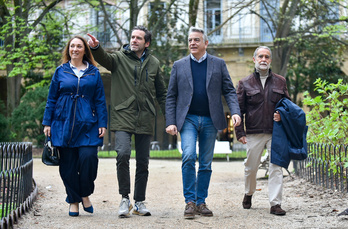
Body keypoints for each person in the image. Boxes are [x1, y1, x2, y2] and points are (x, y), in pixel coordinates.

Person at [87, 25, 166, 217]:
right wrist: (96, 47)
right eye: (132, 37)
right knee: (122, 154)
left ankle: (139, 201)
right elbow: (103, 59)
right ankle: (125, 198)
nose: (133, 40)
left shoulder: (154, 63)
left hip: (146, 116)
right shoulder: (119, 58)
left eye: (138, 38)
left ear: (146, 43)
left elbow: (162, 94)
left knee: (143, 162)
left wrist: (170, 118)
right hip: (123, 115)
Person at [165, 27, 241, 219]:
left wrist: (235, 112)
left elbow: (230, 91)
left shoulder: (219, 64)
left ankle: (201, 202)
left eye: (197, 40)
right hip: (188, 119)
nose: (192, 43)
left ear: (206, 43)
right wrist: (171, 121)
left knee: (206, 163)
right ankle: (189, 202)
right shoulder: (179, 65)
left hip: (210, 119)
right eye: (190, 40)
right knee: (189, 156)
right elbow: (171, 96)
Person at [42, 35, 108, 217]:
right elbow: (51, 98)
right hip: (63, 123)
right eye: (72, 46)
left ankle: (85, 193)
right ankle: (73, 200)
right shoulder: (60, 71)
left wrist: (103, 122)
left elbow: (100, 100)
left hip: (87, 124)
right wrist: (47, 122)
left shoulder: (93, 72)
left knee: (89, 159)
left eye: (79, 46)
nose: (75, 49)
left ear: (85, 50)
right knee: (68, 165)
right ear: (68, 49)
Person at [235, 46, 291, 216]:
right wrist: (240, 133)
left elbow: (288, 105)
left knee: (276, 167)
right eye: (260, 56)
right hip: (254, 132)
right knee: (251, 168)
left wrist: (282, 115)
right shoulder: (244, 83)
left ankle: (275, 203)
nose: (263, 59)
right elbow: (238, 109)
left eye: (267, 56)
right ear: (254, 59)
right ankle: (249, 193)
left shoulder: (280, 81)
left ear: (270, 60)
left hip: (276, 132)